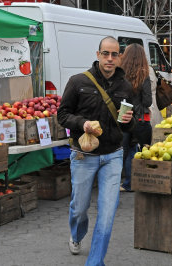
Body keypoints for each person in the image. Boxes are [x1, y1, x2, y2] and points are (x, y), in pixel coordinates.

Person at [57, 36, 135, 266]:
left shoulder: (125, 87)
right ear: (98, 54)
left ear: (119, 57)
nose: (110, 59)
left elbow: (127, 126)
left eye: (114, 54)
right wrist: (82, 124)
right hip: (84, 156)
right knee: (79, 208)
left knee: (107, 213)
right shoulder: (78, 81)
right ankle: (77, 234)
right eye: (105, 54)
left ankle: (95, 261)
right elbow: (62, 115)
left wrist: (130, 121)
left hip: (113, 156)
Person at [120, 43, 152, 192]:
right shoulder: (144, 75)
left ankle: (115, 183)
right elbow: (148, 101)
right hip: (138, 118)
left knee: (122, 150)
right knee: (134, 150)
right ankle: (130, 183)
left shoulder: (120, 74)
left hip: (123, 116)